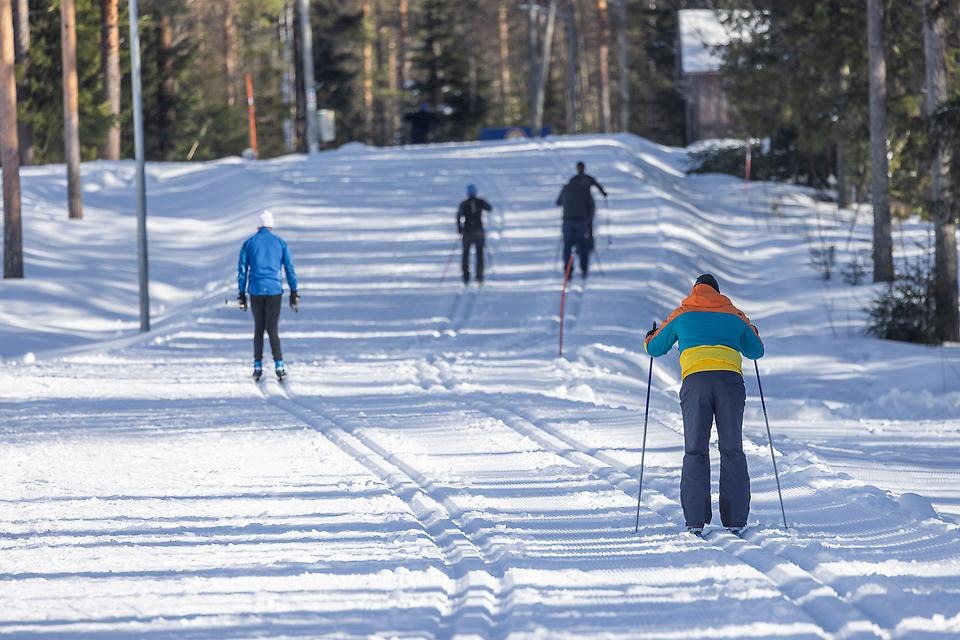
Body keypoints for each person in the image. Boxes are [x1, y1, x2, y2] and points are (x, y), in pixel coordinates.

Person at [643, 273, 764, 536]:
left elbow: (655, 348)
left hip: (695, 384)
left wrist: (649, 336)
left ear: (695, 290)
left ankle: (695, 521)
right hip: (729, 384)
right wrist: (751, 330)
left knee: (695, 449)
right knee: (732, 448)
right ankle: (735, 520)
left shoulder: (683, 313)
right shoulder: (734, 314)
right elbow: (756, 351)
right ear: (718, 293)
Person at [237, 210, 299, 381]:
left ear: (258, 225)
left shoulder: (249, 244)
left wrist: (241, 293)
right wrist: (294, 291)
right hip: (274, 291)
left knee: (258, 328)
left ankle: (257, 366)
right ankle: (279, 365)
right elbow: (289, 268)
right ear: (271, 225)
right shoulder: (280, 243)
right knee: (272, 329)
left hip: (256, 290)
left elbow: (242, 271)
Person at [556, 161, 607, 278]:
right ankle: (584, 269)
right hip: (582, 220)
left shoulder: (568, 185)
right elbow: (591, 204)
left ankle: (567, 271)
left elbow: (559, 202)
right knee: (583, 244)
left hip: (568, 221)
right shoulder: (586, 188)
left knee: (567, 245)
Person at [457, 184, 492, 284]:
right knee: (479, 254)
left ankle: (466, 276)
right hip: (479, 232)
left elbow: (458, 216)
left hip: (467, 232)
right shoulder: (480, 202)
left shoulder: (464, 204)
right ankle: (479, 275)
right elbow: (489, 208)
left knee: (466, 254)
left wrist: (460, 228)